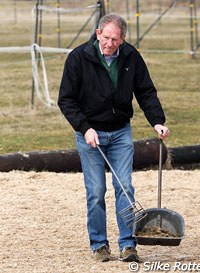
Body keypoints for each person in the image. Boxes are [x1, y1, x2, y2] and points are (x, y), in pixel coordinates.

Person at [58, 13, 170, 262]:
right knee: (96, 191)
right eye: (106, 37)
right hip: (90, 133)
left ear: (123, 39)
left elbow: (146, 91)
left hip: (121, 132)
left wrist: (157, 121)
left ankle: (128, 244)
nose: (109, 43)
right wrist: (84, 127)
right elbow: (66, 99)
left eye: (115, 39)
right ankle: (99, 244)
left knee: (125, 188)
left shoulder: (131, 56)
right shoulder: (78, 58)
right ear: (98, 34)